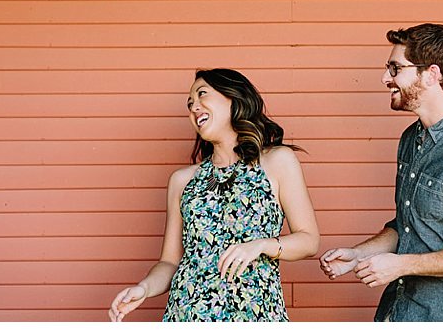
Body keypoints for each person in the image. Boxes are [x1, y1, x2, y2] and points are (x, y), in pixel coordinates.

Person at [319, 23, 443, 322]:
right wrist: (359, 255)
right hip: (402, 310)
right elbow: (407, 226)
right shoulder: (411, 139)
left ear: (432, 74)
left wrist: (400, 265)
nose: (386, 78)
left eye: (395, 69)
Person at [109, 68, 319, 322]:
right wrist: (144, 288)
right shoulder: (182, 180)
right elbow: (169, 262)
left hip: (256, 315)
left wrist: (262, 245)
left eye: (202, 95)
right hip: (187, 315)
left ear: (234, 98)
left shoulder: (277, 161)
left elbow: (309, 241)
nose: (194, 107)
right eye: (190, 104)